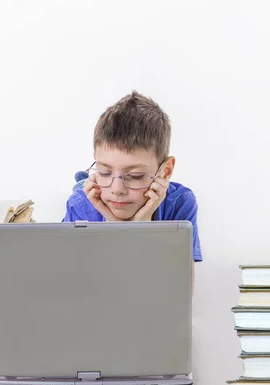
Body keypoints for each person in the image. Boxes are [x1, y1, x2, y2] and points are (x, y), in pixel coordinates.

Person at [62, 91, 202, 290]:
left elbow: (179, 295)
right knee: (82, 189)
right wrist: (114, 226)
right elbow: (76, 290)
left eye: (135, 176)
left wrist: (140, 228)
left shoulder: (180, 204)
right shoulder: (80, 205)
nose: (117, 189)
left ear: (165, 171)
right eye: (104, 171)